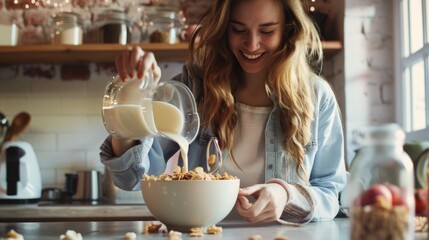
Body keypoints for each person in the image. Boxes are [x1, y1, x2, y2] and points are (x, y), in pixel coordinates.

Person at [100, 0, 347, 225]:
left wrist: (286, 194)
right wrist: (131, 95)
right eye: (238, 30)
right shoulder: (195, 88)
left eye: (267, 31)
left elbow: (330, 194)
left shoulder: (316, 96)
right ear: (224, 29)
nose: (251, 44)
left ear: (288, 30)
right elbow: (133, 178)